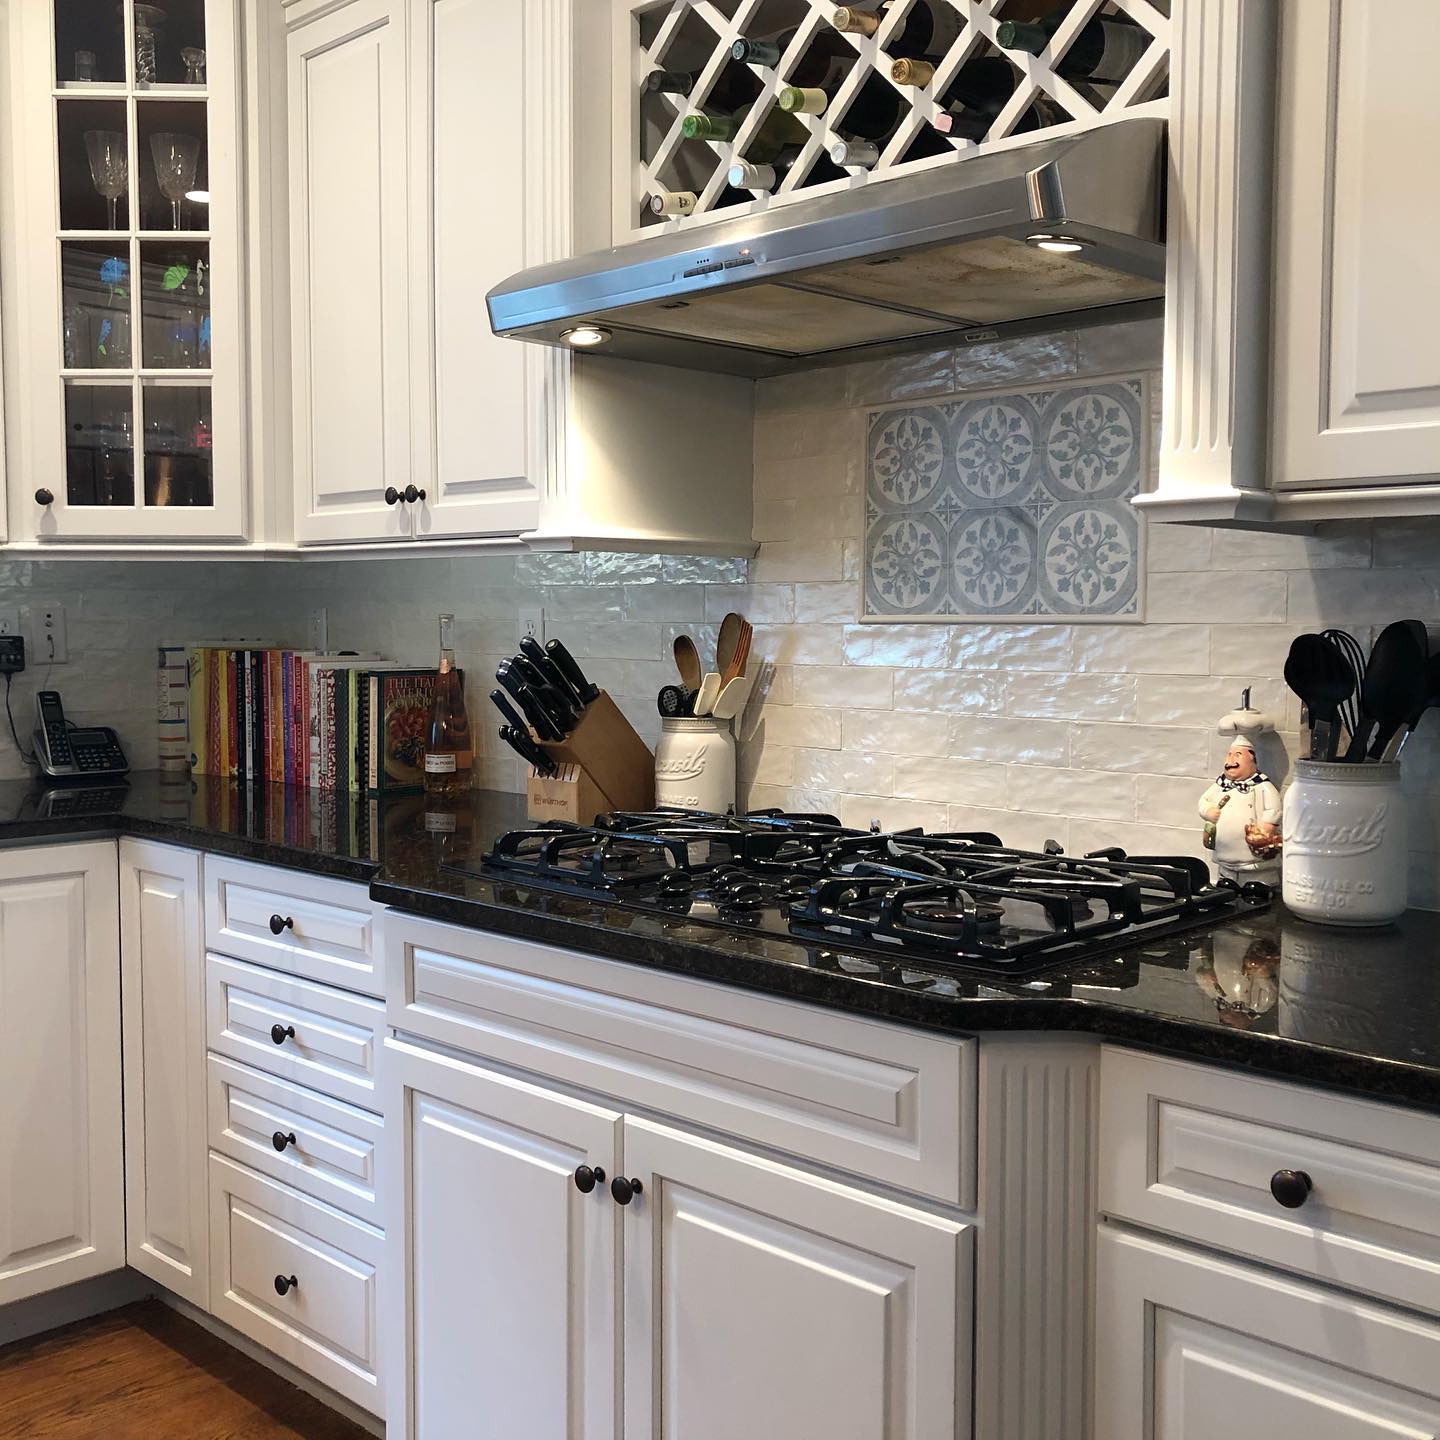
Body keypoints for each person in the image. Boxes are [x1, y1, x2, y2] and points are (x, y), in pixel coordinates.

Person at [1198, 737, 1282, 884]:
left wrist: (1267, 828)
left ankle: (1259, 883)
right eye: (1229, 754)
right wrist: (1208, 811)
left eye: (1238, 755)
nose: (1231, 760)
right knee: (1227, 881)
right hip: (1226, 854)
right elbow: (1203, 801)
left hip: (1254, 856)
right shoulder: (1221, 785)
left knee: (1256, 880)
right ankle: (1228, 882)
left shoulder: (1262, 786)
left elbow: (1274, 808)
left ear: (1252, 760)